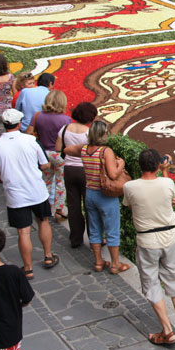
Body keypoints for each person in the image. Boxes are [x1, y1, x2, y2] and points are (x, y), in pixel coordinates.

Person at [123, 149, 175, 346]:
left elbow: (129, 205)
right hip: (169, 237)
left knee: (151, 283)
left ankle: (167, 331)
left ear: (140, 165)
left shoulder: (130, 187)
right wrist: (165, 171)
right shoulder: (167, 182)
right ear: (157, 165)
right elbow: (170, 196)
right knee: (174, 279)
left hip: (147, 241)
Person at [0, 109, 59, 280]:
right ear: (19, 124)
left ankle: (28, 268)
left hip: (14, 194)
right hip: (36, 190)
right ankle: (48, 256)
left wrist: (3, 180)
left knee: (23, 232)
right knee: (44, 222)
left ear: (4, 125)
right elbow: (45, 165)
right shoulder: (31, 140)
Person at [64, 121, 130, 274]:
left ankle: (98, 262)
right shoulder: (105, 151)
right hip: (104, 195)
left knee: (94, 229)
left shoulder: (85, 149)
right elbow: (113, 174)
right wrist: (121, 164)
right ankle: (115, 264)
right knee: (112, 229)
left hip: (90, 193)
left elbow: (67, 150)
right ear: (103, 134)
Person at [55, 102, 96, 248]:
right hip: (86, 170)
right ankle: (94, 239)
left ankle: (76, 238)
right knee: (89, 205)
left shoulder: (65, 129)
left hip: (69, 169)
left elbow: (58, 148)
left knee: (73, 205)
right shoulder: (89, 133)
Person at [26, 90, 71, 221]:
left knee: (46, 180)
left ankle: (44, 207)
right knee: (60, 182)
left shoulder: (38, 116)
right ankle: (59, 210)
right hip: (58, 154)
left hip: (43, 153)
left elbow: (29, 133)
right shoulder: (65, 119)